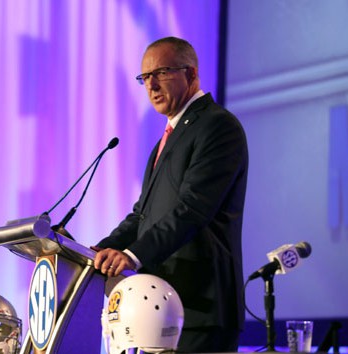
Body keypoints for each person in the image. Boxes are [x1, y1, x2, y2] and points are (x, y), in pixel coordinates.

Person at [93, 36, 248, 352]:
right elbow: (142, 214)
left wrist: (133, 255)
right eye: (144, 78)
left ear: (190, 75)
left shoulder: (218, 126)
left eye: (160, 73)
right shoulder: (166, 140)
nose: (151, 86)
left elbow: (193, 208)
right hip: (160, 309)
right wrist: (98, 250)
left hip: (200, 308)